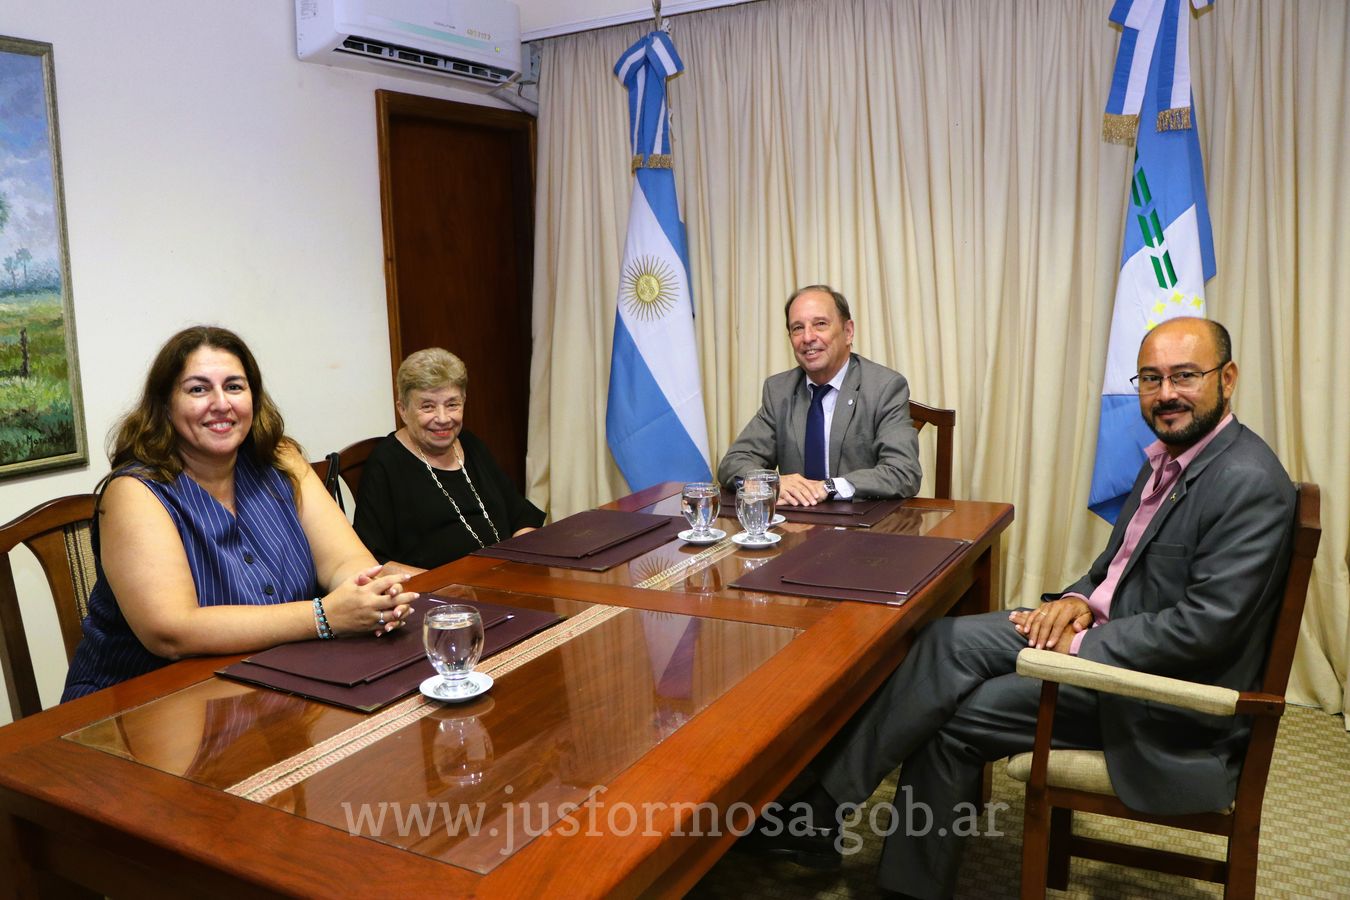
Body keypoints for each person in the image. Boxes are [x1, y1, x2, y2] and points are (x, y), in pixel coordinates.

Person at [753, 317, 1298, 898]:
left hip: (1158, 698)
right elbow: (1117, 566)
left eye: (1185, 376)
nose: (1166, 394)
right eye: (1151, 378)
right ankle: (827, 813)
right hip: (1108, 639)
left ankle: (825, 816)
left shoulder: (1248, 481)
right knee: (942, 638)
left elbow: (1206, 631)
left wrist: (1078, 642)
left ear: (1228, 378)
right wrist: (1072, 601)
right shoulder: (1170, 454)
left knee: (953, 716)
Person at [62, 326, 416, 701]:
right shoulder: (134, 492)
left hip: (272, 681)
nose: (221, 403)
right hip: (140, 702)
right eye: (198, 389)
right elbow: (172, 632)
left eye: (234, 386)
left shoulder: (282, 460)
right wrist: (325, 617)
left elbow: (345, 561)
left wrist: (367, 594)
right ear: (166, 405)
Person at [716, 284, 922, 505]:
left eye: (820, 324)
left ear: (848, 332)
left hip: (861, 527)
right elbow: (733, 463)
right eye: (797, 328)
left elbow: (903, 472)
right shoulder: (779, 391)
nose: (807, 337)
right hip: (796, 528)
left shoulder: (884, 387)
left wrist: (829, 487)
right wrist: (771, 482)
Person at [353, 348, 544, 571]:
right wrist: (444, 587)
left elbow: (520, 515)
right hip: (437, 597)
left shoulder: (469, 443)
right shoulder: (385, 464)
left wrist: (522, 563)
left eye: (452, 404)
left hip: (501, 578)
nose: (443, 419)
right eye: (428, 406)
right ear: (403, 410)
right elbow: (373, 561)